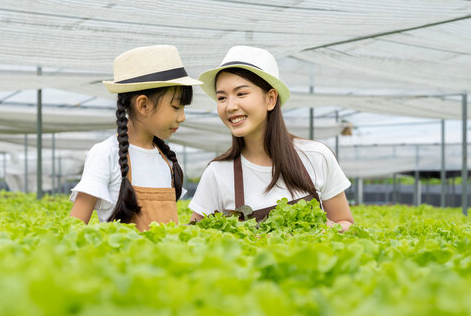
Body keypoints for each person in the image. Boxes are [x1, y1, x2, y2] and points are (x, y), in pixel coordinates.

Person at [189, 46, 354, 231]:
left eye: (241, 93)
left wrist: (324, 228)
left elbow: (346, 223)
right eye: (221, 98)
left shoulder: (316, 156)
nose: (230, 106)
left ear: (271, 99)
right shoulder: (217, 173)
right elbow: (196, 239)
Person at [70, 45, 202, 231]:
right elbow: (73, 228)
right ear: (143, 105)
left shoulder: (167, 160)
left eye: (183, 108)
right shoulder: (105, 154)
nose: (182, 117)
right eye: (175, 107)